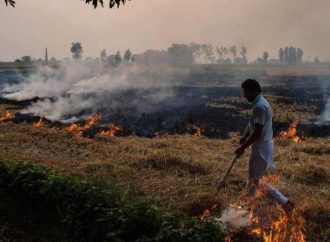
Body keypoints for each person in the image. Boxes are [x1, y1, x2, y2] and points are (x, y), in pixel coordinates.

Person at [235, 79, 294, 216]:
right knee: (253, 180)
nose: (244, 96)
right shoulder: (259, 104)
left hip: (260, 148)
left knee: (255, 181)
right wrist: (244, 136)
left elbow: (257, 132)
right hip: (260, 146)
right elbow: (252, 125)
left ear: (254, 91)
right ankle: (247, 207)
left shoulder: (260, 107)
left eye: (246, 92)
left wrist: (242, 147)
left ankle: (284, 202)